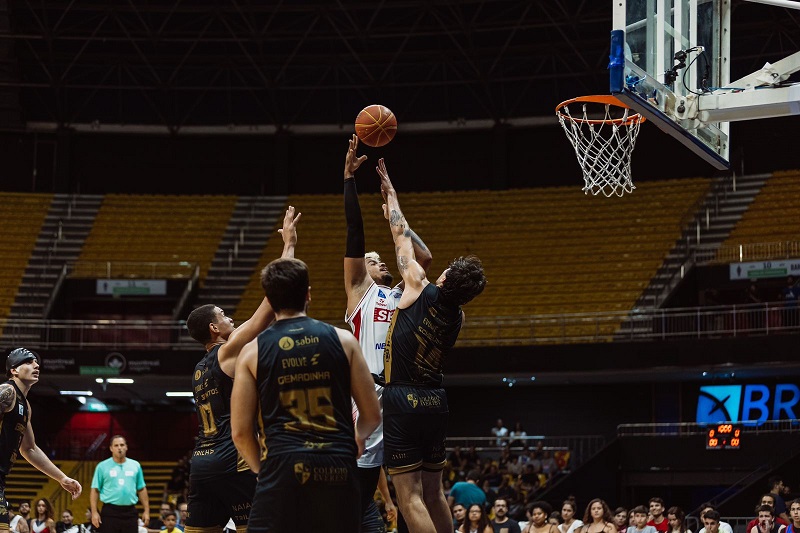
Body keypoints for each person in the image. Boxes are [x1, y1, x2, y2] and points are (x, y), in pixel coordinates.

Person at [230, 257, 381, 533]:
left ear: (269, 299)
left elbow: (240, 432)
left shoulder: (252, 352)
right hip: (336, 465)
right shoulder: (344, 340)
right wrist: (358, 438)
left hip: (282, 466)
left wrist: (261, 471)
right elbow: (372, 415)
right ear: (308, 294)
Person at [377, 157, 486, 533]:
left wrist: (391, 196)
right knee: (434, 493)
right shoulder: (458, 316)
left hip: (402, 397)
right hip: (435, 400)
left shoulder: (418, 286)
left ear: (446, 277)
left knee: (408, 497)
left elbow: (400, 235)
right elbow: (414, 249)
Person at [184, 206, 300, 533]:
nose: (231, 319)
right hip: (232, 461)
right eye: (224, 316)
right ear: (214, 328)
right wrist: (288, 246)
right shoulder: (227, 352)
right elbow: (268, 307)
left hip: (201, 465)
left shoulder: (197, 369)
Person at [343, 135, 417, 532]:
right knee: (360, 483)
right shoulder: (360, 291)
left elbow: (418, 256)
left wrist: (393, 202)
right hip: (368, 392)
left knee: (414, 489)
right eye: (370, 260)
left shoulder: (403, 290)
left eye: (378, 258)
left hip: (405, 390)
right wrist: (349, 181)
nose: (377, 259)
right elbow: (354, 232)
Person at [0, 348, 82, 533]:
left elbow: (29, 449)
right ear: (14, 370)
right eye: (28, 362)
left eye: (36, 362)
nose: (36, 365)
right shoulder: (7, 391)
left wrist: (62, 478)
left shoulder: (25, 406)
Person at [90, 435, 150, 533]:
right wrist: (94, 512)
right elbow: (95, 490)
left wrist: (146, 511)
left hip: (130, 512)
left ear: (126, 447)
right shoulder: (102, 466)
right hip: (110, 511)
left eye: (122, 445)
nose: (119, 448)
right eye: (116, 445)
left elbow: (141, 489)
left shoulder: (135, 465)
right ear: (111, 448)